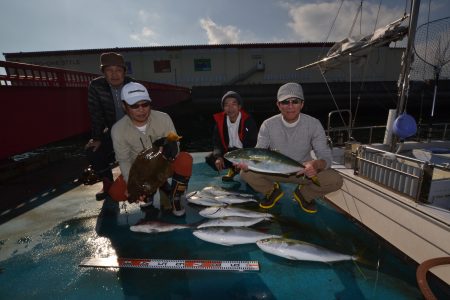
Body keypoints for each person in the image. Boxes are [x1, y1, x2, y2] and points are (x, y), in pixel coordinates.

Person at [237, 82, 343, 214]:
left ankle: (304, 194)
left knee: (336, 180)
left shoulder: (313, 124)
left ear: (302, 104)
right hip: (274, 171)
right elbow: (260, 151)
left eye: (295, 101)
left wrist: (316, 164)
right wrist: (249, 164)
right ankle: (272, 191)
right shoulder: (268, 125)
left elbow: (325, 156)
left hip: (303, 172)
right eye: (285, 102)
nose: (290, 106)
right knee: (245, 174)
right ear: (278, 105)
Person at [109, 82, 193, 217]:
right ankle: (149, 192)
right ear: (124, 106)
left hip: (164, 166)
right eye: (134, 106)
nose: (141, 109)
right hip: (139, 172)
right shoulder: (118, 129)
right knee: (116, 192)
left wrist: (171, 146)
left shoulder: (164, 118)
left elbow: (176, 146)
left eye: (145, 104)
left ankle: (175, 197)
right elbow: (124, 160)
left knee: (185, 159)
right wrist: (132, 187)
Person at [84, 52, 135, 200]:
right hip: (113, 130)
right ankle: (107, 183)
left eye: (118, 70)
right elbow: (96, 113)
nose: (114, 75)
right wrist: (97, 138)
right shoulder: (96, 86)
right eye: (109, 70)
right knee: (92, 150)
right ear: (103, 72)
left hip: (133, 130)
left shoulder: (132, 84)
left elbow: (143, 110)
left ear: (124, 72)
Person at [205, 91, 258, 181]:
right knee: (210, 158)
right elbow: (217, 142)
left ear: (239, 107)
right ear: (223, 108)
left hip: (245, 153)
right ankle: (233, 169)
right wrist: (218, 157)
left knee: (251, 182)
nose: (230, 108)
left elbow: (253, 144)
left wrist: (243, 161)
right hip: (231, 153)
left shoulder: (248, 121)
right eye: (226, 105)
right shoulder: (220, 122)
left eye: (234, 104)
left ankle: (249, 172)